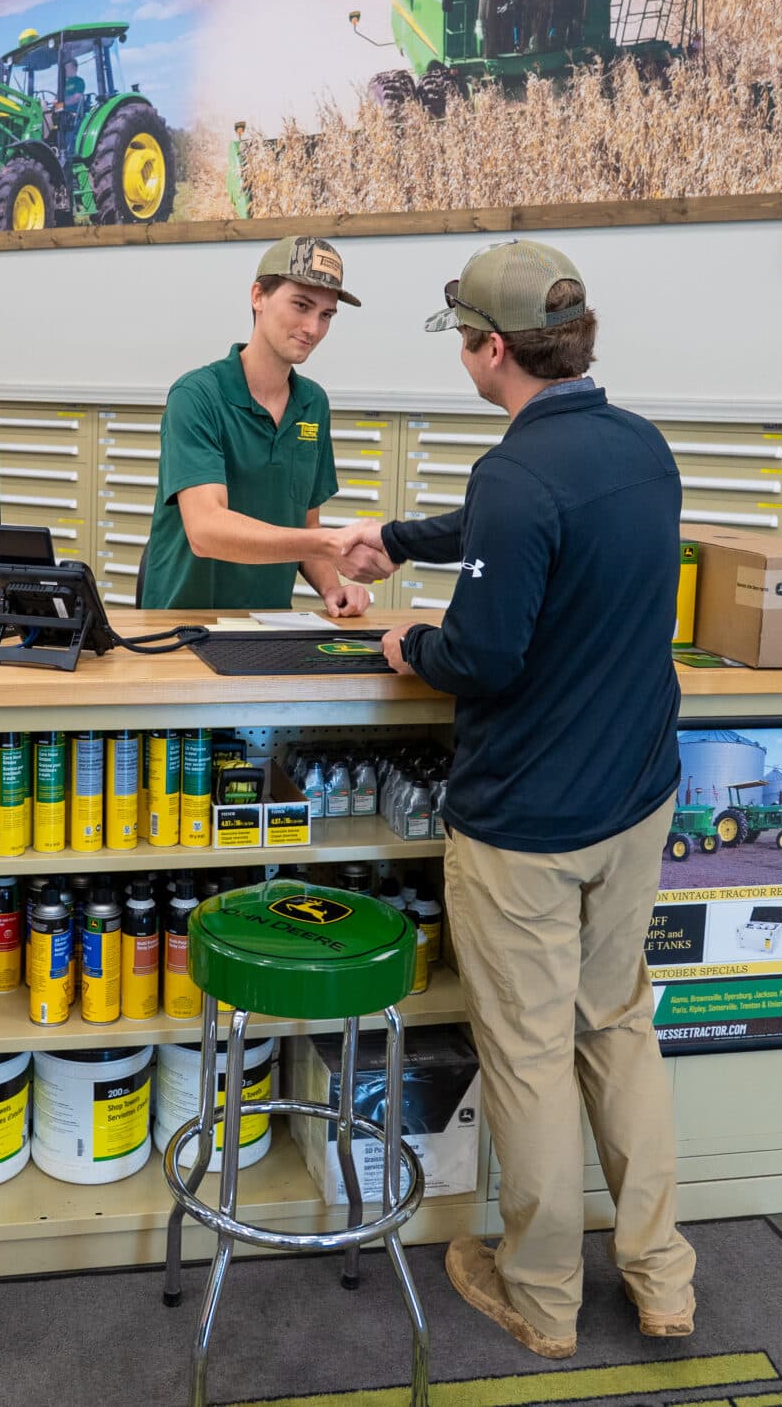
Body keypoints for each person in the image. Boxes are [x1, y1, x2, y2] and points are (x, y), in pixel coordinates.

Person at [344, 240, 696, 1355]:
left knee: (532, 1057)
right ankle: (662, 1278)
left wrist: (409, 643)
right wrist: (395, 539)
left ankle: (542, 1297)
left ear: (491, 349)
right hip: (635, 799)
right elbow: (525, 530)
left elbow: (482, 657)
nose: (462, 354)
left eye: (462, 339)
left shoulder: (517, 473)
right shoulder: (638, 448)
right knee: (619, 1029)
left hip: (530, 827)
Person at [139, 236, 375, 614]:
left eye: (326, 315)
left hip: (267, 624)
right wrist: (331, 544)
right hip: (184, 625)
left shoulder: (313, 404)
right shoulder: (197, 396)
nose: (313, 328)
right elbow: (206, 530)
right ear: (258, 297)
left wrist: (332, 587)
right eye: (301, 305)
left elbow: (307, 526)